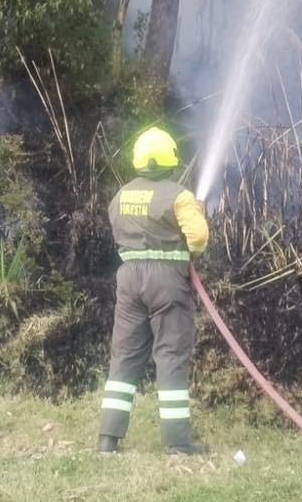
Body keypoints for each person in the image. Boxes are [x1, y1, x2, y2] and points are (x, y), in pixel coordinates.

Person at [96, 127, 209, 455]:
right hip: (167, 282)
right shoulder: (179, 196)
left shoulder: (120, 196)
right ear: (171, 160)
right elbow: (198, 240)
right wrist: (196, 218)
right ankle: (177, 442)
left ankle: (108, 439)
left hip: (129, 280)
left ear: (138, 161)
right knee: (171, 356)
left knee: (124, 357)